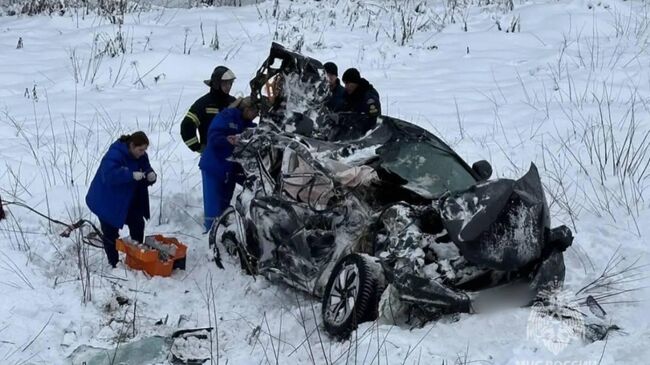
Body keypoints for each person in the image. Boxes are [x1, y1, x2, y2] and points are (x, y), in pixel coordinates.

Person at [86, 132, 157, 268]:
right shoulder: (115, 154)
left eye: (145, 150)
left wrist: (150, 174)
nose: (143, 153)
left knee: (137, 223)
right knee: (110, 234)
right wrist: (130, 175)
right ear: (131, 145)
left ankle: (136, 258)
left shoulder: (140, 156)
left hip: (126, 199)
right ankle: (114, 264)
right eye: (140, 150)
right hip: (107, 201)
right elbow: (109, 175)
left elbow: (145, 166)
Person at [199, 97, 259, 231]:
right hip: (214, 167)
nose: (256, 116)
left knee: (224, 203)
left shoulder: (249, 125)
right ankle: (210, 233)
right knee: (213, 205)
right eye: (255, 112)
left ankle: (221, 233)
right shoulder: (226, 116)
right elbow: (214, 137)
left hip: (230, 169)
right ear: (248, 109)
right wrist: (227, 140)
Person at [180, 66, 237, 153]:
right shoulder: (204, 104)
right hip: (212, 156)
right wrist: (197, 147)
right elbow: (187, 125)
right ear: (216, 84)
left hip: (233, 154)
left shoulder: (233, 102)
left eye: (230, 83)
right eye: (225, 83)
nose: (228, 87)